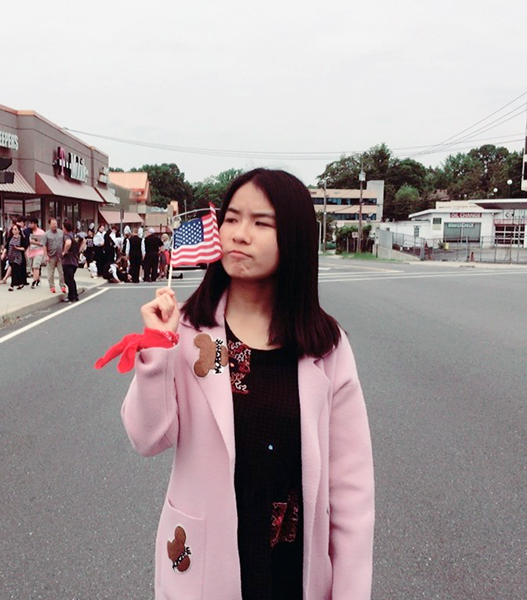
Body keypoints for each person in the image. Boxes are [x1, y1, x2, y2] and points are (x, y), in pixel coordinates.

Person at [115, 169, 374, 599]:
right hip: (207, 563)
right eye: (232, 219)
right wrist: (157, 350)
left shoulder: (323, 347)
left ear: (293, 237)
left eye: (261, 223)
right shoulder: (197, 333)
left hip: (293, 566)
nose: (240, 234)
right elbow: (147, 437)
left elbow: (351, 493)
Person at [61, 221, 84, 302]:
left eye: (63, 227)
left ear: (65, 228)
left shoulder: (67, 236)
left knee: (68, 279)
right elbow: (84, 241)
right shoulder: (76, 236)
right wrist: (79, 250)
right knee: (71, 278)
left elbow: (68, 243)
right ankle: (74, 295)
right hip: (75, 260)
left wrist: (64, 251)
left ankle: (72, 295)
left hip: (68, 260)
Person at [44, 217, 66, 294]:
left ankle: (62, 285)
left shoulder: (61, 232)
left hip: (60, 256)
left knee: (62, 272)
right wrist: (46, 256)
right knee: (50, 273)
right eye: (53, 224)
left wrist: (64, 251)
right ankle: (52, 286)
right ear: (49, 225)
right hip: (51, 256)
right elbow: (44, 245)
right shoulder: (46, 234)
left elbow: (65, 242)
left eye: (56, 224)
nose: (55, 225)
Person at [2, 222, 27, 291]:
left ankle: (12, 285)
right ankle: (20, 283)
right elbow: (6, 247)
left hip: (18, 256)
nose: (14, 231)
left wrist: (17, 248)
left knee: (14, 269)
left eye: (16, 229)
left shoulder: (21, 238)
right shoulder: (10, 238)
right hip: (11, 256)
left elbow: (24, 248)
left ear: (19, 230)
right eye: (13, 229)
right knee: (16, 271)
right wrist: (3, 254)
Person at [26, 217, 46, 288]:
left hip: (39, 251)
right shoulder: (28, 231)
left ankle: (34, 282)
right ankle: (37, 279)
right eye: (29, 223)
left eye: (31, 223)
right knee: (32, 267)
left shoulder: (41, 232)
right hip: (30, 251)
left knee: (36, 266)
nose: (30, 225)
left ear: (35, 224)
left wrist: (34, 242)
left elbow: (43, 243)